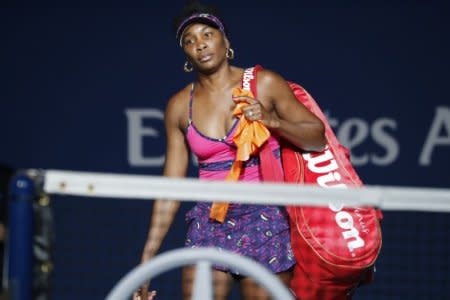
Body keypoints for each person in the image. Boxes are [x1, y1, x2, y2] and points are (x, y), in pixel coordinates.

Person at [134, 2, 326, 299]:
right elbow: (169, 191)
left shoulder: (265, 83)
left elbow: (317, 138)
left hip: (268, 220)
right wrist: (146, 261)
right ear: (185, 54)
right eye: (190, 40)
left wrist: (271, 120)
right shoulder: (177, 107)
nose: (200, 45)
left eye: (207, 34)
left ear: (226, 41)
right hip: (210, 223)